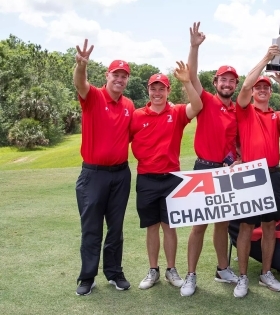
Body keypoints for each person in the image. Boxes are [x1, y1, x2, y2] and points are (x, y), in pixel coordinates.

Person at [130, 62, 203, 290]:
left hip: (171, 178)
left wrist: (186, 81)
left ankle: (171, 270)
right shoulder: (137, 115)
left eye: (162, 88)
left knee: (169, 226)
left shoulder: (178, 112)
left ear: (168, 91)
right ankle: (153, 270)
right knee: (152, 226)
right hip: (146, 177)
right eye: (154, 88)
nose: (157, 93)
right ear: (148, 91)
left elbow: (198, 105)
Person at [180, 22, 240, 297]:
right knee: (199, 225)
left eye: (231, 80)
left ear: (235, 85)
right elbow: (191, 77)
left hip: (227, 171)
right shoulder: (204, 100)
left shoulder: (238, 110)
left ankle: (222, 268)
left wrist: (237, 159)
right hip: (204, 167)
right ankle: (191, 275)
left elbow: (237, 142)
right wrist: (194, 47)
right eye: (222, 80)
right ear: (215, 83)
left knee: (223, 224)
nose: (226, 84)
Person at [73, 39, 134, 295]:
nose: (119, 79)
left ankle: (114, 272)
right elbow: (80, 83)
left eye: (124, 75)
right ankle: (87, 277)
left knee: (116, 228)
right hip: (93, 175)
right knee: (91, 228)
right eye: (116, 74)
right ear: (107, 76)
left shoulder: (129, 105)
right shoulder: (94, 96)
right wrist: (81, 66)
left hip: (120, 174)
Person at [232, 45, 280, 298]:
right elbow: (244, 87)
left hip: (272, 173)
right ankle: (243, 277)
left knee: (269, 225)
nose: (262, 89)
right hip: (250, 174)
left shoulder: (274, 115)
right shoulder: (245, 111)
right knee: (246, 226)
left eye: (266, 87)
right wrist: (267, 57)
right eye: (260, 87)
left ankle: (266, 272)